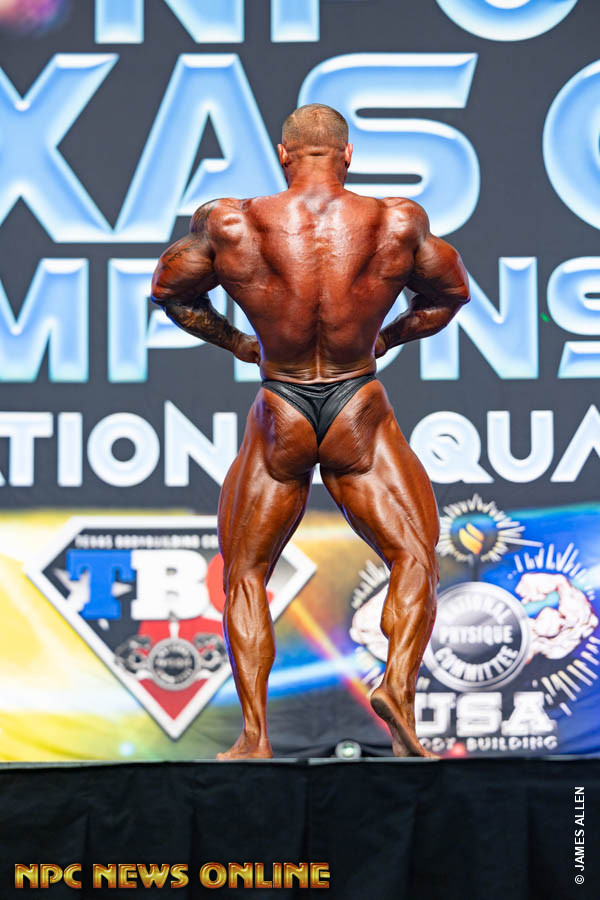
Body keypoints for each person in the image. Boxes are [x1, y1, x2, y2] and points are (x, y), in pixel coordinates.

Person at [151, 103, 469, 759]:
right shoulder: (395, 221)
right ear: (348, 155)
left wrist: (238, 342)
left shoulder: (231, 222)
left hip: (282, 406)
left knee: (246, 572)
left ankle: (255, 738)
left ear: (283, 154)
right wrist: (388, 336)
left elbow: (171, 292)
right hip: (357, 402)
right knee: (414, 556)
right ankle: (398, 691)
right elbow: (450, 295)